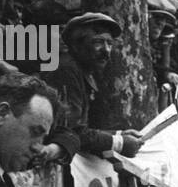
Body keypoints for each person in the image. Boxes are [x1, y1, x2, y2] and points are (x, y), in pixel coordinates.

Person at [44, 11, 143, 159]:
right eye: (98, 42)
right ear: (77, 45)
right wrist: (119, 142)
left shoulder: (85, 71)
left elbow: (80, 130)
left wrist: (118, 134)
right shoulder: (65, 70)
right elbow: (69, 131)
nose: (106, 51)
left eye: (109, 43)